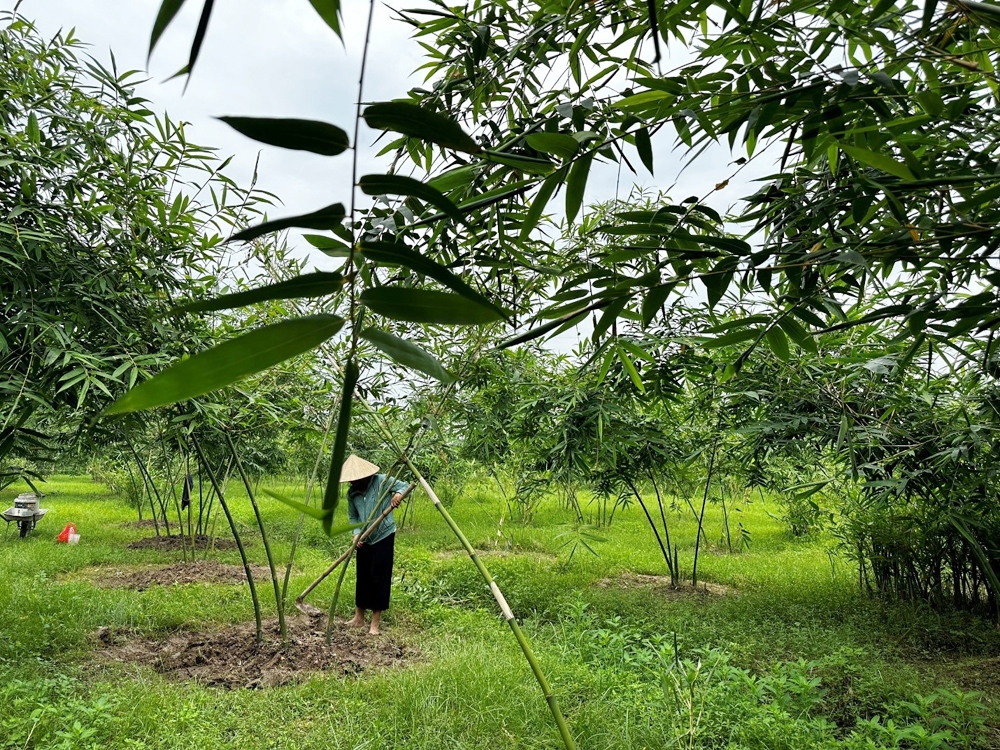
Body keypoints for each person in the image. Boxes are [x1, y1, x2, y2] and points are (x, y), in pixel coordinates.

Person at [341, 454, 408, 635]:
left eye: (356, 479)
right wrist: (356, 535)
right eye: (351, 480)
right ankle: (359, 618)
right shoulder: (352, 493)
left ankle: (375, 624)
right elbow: (353, 517)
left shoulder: (381, 481)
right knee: (363, 576)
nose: (353, 483)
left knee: (379, 576)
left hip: (383, 535)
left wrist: (397, 495)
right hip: (364, 538)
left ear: (364, 475)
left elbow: (405, 486)